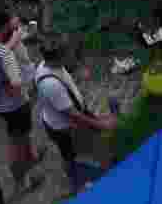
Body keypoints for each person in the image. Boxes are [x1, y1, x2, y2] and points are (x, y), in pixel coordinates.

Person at [34, 34, 117, 195]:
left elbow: (66, 70)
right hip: (65, 128)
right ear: (58, 57)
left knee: (73, 153)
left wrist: (77, 72)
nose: (70, 55)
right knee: (71, 156)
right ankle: (77, 185)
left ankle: (79, 178)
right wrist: (101, 123)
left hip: (72, 116)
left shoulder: (50, 65)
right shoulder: (50, 85)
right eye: (67, 53)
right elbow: (73, 115)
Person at [0, 8, 45, 193]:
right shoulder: (6, 58)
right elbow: (15, 89)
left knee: (22, 136)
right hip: (15, 106)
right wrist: (19, 89)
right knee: (17, 142)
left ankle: (31, 157)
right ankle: (22, 181)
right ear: (4, 28)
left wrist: (11, 41)